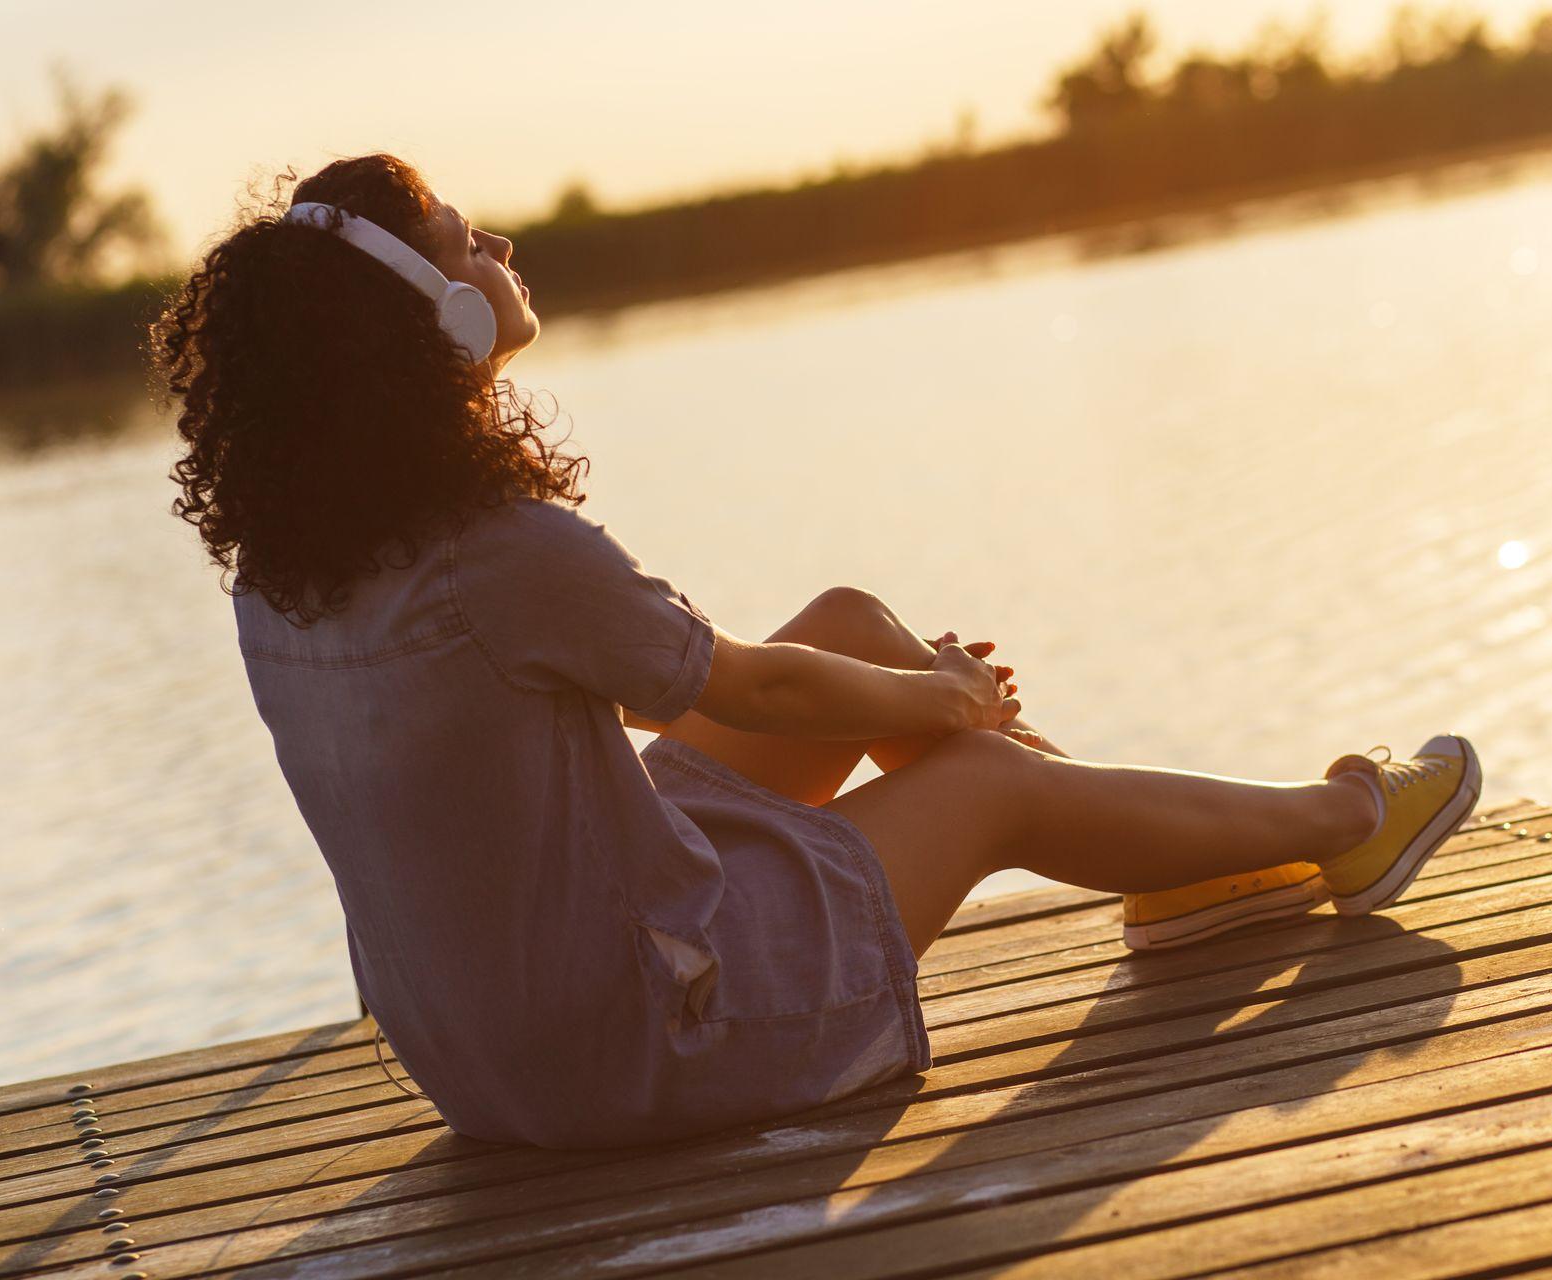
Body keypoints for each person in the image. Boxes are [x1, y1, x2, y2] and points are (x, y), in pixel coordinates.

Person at [148, 152, 1482, 1149]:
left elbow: (675, 702)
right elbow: (757, 689)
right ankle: (1339, 819)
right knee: (984, 781)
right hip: (639, 1049)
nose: (496, 242)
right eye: (462, 235)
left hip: (485, 1060)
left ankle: (1184, 862)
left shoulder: (281, 575)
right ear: (434, 318)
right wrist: (945, 697)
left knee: (844, 617)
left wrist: (907, 683)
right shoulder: (504, 553)